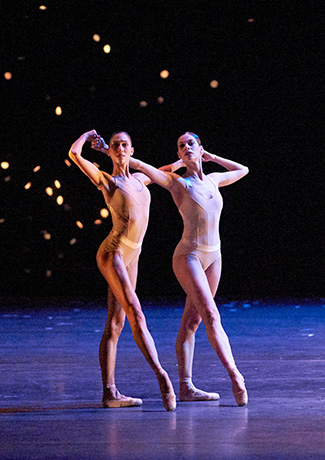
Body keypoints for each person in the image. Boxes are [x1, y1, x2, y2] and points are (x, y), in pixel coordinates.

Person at [129, 131, 249, 406]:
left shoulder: (214, 181)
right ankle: (235, 376)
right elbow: (142, 167)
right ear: (179, 154)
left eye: (190, 144)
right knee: (210, 314)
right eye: (181, 146)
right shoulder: (178, 184)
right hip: (189, 256)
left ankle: (185, 386)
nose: (185, 147)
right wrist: (120, 155)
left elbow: (243, 169)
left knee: (191, 323)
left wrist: (213, 157)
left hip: (214, 256)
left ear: (200, 147)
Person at [68, 130, 176, 411]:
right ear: (110, 149)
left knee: (116, 323)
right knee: (135, 312)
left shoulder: (141, 179)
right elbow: (74, 154)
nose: (119, 148)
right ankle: (162, 376)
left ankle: (110, 393)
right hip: (113, 252)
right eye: (115, 145)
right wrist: (88, 136)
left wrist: (195, 158)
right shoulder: (107, 181)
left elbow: (166, 170)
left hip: (133, 254)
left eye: (124, 145)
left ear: (131, 148)